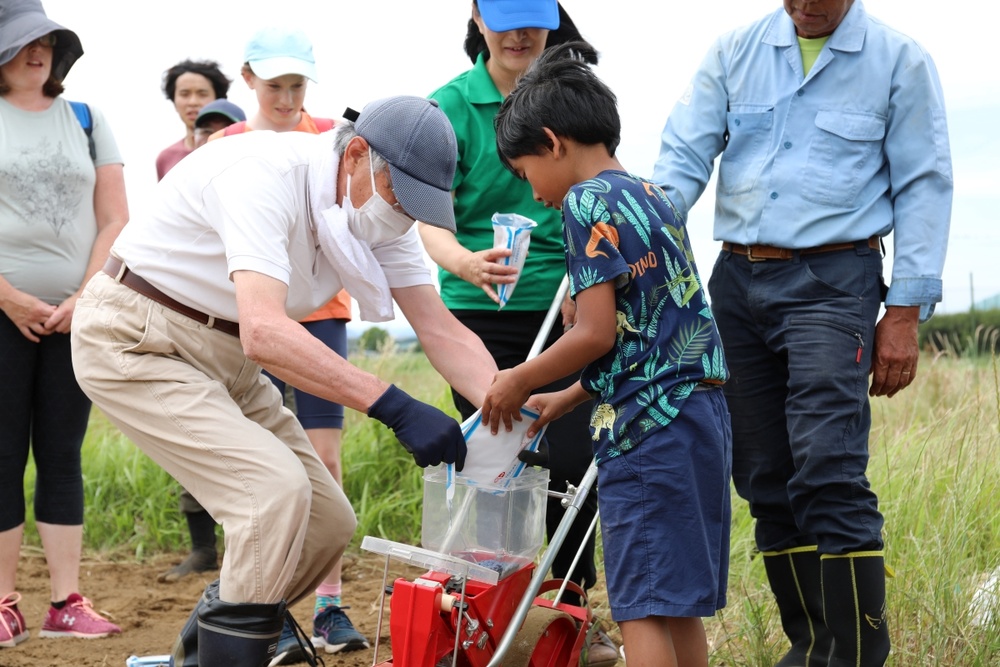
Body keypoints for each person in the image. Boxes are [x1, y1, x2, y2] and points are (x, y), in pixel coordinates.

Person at [71, 94, 498, 667]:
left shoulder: (378, 217)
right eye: (401, 193)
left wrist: (510, 407)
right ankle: (229, 654)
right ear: (356, 154)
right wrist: (392, 404)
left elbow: (441, 331)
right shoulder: (263, 174)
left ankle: (207, 651)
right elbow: (265, 332)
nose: (405, 214)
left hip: (227, 358)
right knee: (270, 493)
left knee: (326, 522)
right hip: (140, 335)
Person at [651, 1, 953, 665]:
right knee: (762, 471)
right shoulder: (734, 51)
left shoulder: (899, 61)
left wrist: (903, 313)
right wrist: (633, 253)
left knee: (827, 466)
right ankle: (812, 646)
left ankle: (854, 655)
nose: (806, 6)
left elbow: (925, 186)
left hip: (834, 279)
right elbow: (680, 160)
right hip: (738, 278)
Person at [484, 42, 732, 667]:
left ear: (552, 140)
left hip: (647, 431)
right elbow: (651, 333)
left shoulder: (584, 204)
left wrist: (516, 379)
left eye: (524, 171)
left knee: (639, 603)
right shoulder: (658, 198)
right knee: (676, 598)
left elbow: (592, 334)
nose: (532, 192)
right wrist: (565, 398)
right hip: (700, 417)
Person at [420, 3, 616, 663]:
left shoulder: (569, 91)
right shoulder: (446, 106)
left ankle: (568, 612)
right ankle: (487, 613)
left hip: (561, 317)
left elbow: (599, 187)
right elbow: (426, 216)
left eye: (531, 16)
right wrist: (464, 261)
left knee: (569, 460)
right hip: (472, 317)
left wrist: (586, 284)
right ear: (477, 18)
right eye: (503, 17)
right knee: (498, 462)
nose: (518, 34)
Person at [206, 27, 363, 664]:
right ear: (247, 80)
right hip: (248, 320)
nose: (288, 97)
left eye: (298, 85)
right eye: (275, 85)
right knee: (250, 467)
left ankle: (328, 606)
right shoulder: (226, 145)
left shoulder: (335, 138)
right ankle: (238, 598)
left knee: (322, 461)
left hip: (321, 317)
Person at [0, 0, 128, 648]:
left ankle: (64, 601)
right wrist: (8, 297)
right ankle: (2, 602)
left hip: (75, 317)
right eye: (23, 41)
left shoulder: (86, 118)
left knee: (60, 454)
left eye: (45, 39)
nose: (37, 49)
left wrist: (85, 295)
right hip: (1, 315)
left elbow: (114, 218)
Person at [155, 59, 230, 180]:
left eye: (202, 94)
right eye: (184, 94)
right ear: (173, 100)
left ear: (218, 98)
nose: (193, 102)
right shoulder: (166, 158)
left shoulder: (236, 146)